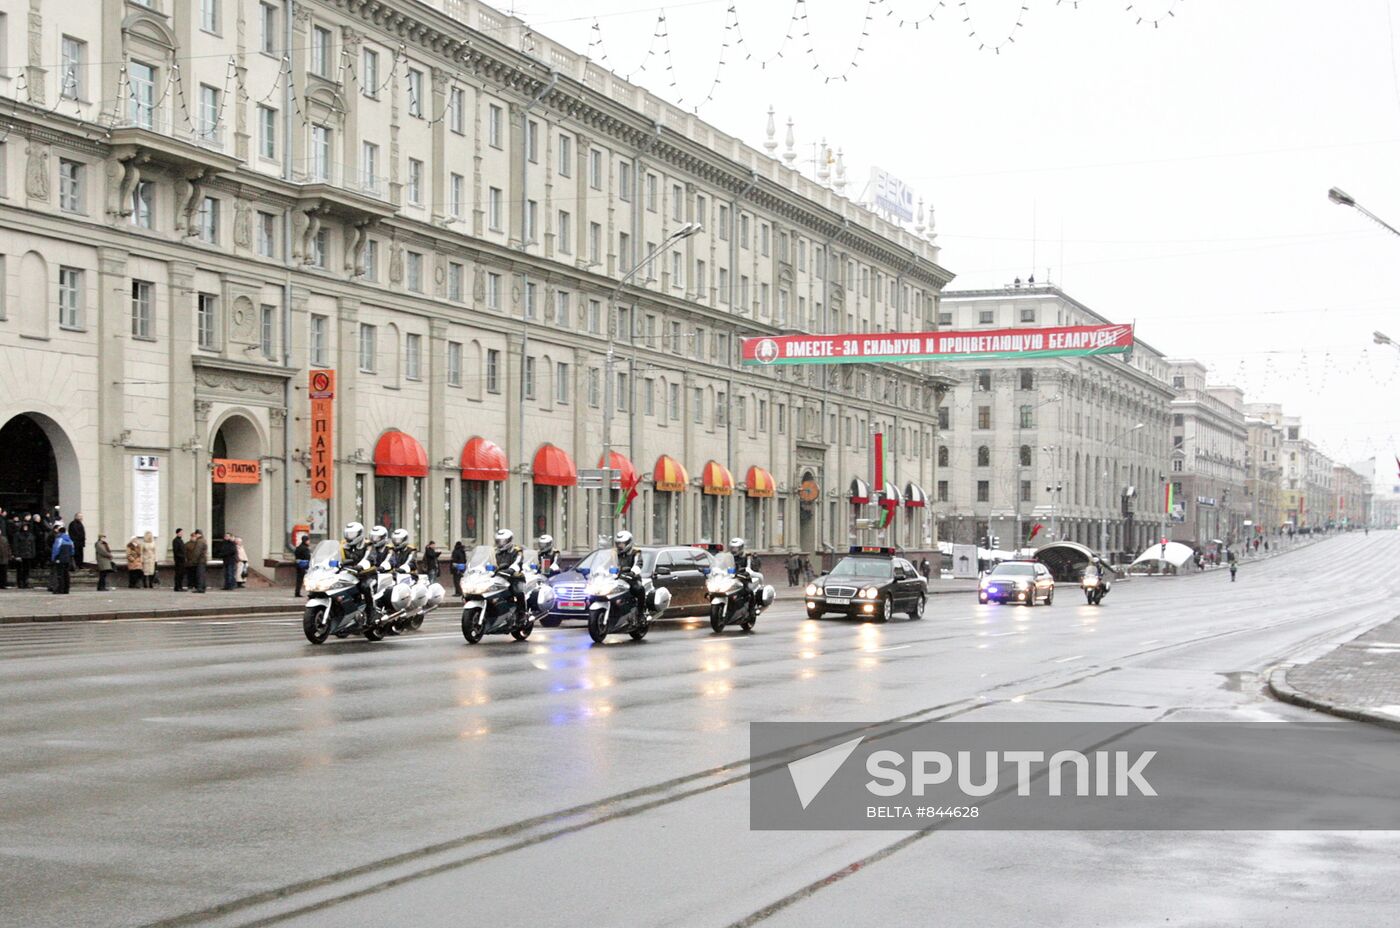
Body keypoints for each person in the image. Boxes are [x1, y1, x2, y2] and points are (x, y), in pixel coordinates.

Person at [341, 523, 381, 623]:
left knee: (366, 587)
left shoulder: (368, 545)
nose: (349, 537)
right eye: (348, 534)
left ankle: (372, 612)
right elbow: (334, 556)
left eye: (352, 534)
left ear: (359, 534)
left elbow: (369, 558)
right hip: (348, 574)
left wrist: (361, 566)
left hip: (367, 575)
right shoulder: (343, 545)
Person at [494, 529, 526, 614]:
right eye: (498, 541)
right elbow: (489, 561)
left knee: (518, 592)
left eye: (502, 541)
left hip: (514, 577)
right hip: (498, 576)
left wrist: (512, 569)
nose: (500, 543)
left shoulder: (517, 550)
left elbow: (518, 561)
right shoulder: (495, 551)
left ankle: (522, 613)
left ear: (509, 540)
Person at [614, 530, 645, 612]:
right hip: (617, 579)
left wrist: (633, 572)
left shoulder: (636, 552)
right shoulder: (614, 553)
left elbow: (638, 563)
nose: (619, 546)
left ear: (628, 543)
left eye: (622, 543)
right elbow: (606, 563)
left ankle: (640, 614)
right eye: (618, 543)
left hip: (631, 579)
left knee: (639, 589)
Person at [50, 523, 74, 594]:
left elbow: (55, 550)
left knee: (60, 575)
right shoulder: (70, 540)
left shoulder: (59, 539)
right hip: (68, 559)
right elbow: (73, 551)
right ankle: (66, 589)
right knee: (66, 574)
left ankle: (60, 589)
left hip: (60, 559)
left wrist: (53, 558)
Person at [13, 520, 34, 589]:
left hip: (28, 555)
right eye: (24, 526)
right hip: (20, 555)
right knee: (20, 570)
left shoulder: (30, 535)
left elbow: (32, 545)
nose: (25, 528)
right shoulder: (17, 534)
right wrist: (16, 555)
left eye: (26, 527)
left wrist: (33, 553)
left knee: (26, 570)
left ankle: (26, 583)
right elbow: (15, 545)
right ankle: (20, 583)